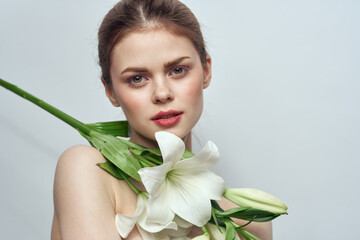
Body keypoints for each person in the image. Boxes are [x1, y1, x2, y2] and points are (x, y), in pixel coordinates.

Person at [51, 0, 272, 239]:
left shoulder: (247, 219)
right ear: (111, 90)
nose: (162, 93)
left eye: (178, 70)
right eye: (137, 78)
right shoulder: (87, 168)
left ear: (206, 70)